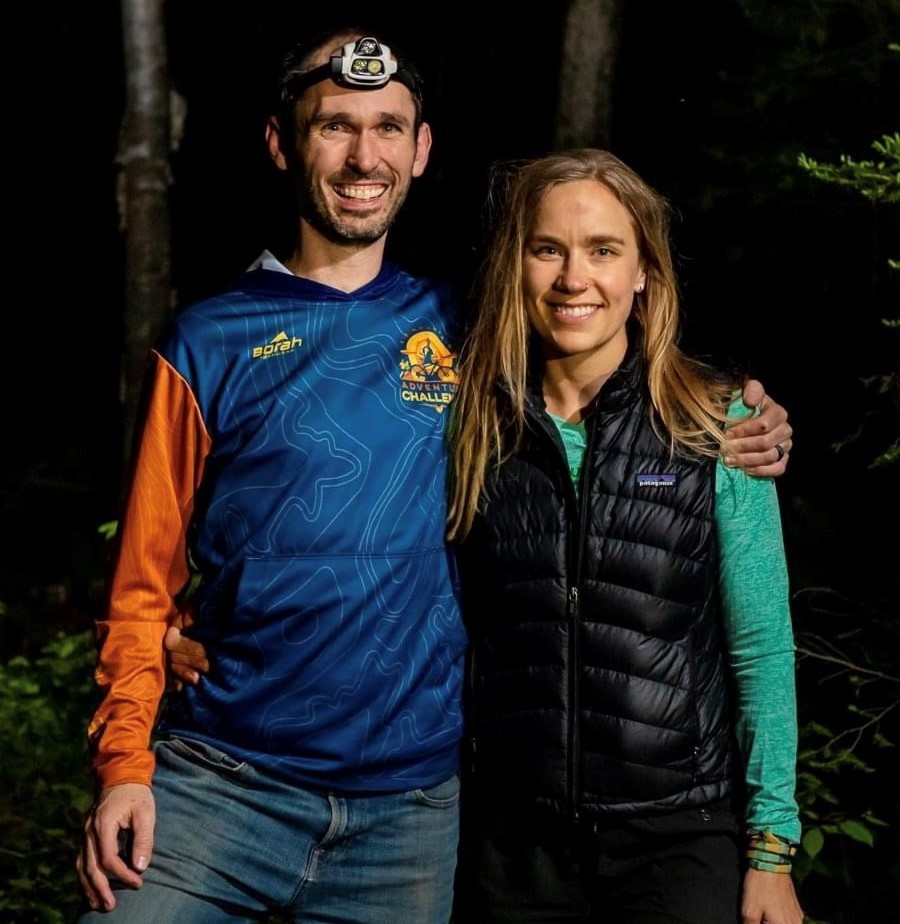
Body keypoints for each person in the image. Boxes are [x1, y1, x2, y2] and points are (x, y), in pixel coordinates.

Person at [76, 24, 794, 924]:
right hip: (223, 782)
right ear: (281, 142)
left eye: (387, 127)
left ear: (419, 151)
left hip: (407, 816)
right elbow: (140, 586)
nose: (362, 156)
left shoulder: (467, 335)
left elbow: (601, 356)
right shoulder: (206, 341)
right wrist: (128, 755)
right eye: (334, 126)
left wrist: (741, 421)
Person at [445, 149, 803, 924]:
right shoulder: (469, 427)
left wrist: (771, 849)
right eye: (548, 249)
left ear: (643, 272)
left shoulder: (718, 425)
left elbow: (760, 648)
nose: (574, 278)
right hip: (512, 846)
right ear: (515, 266)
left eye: (603, 250)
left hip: (677, 839)